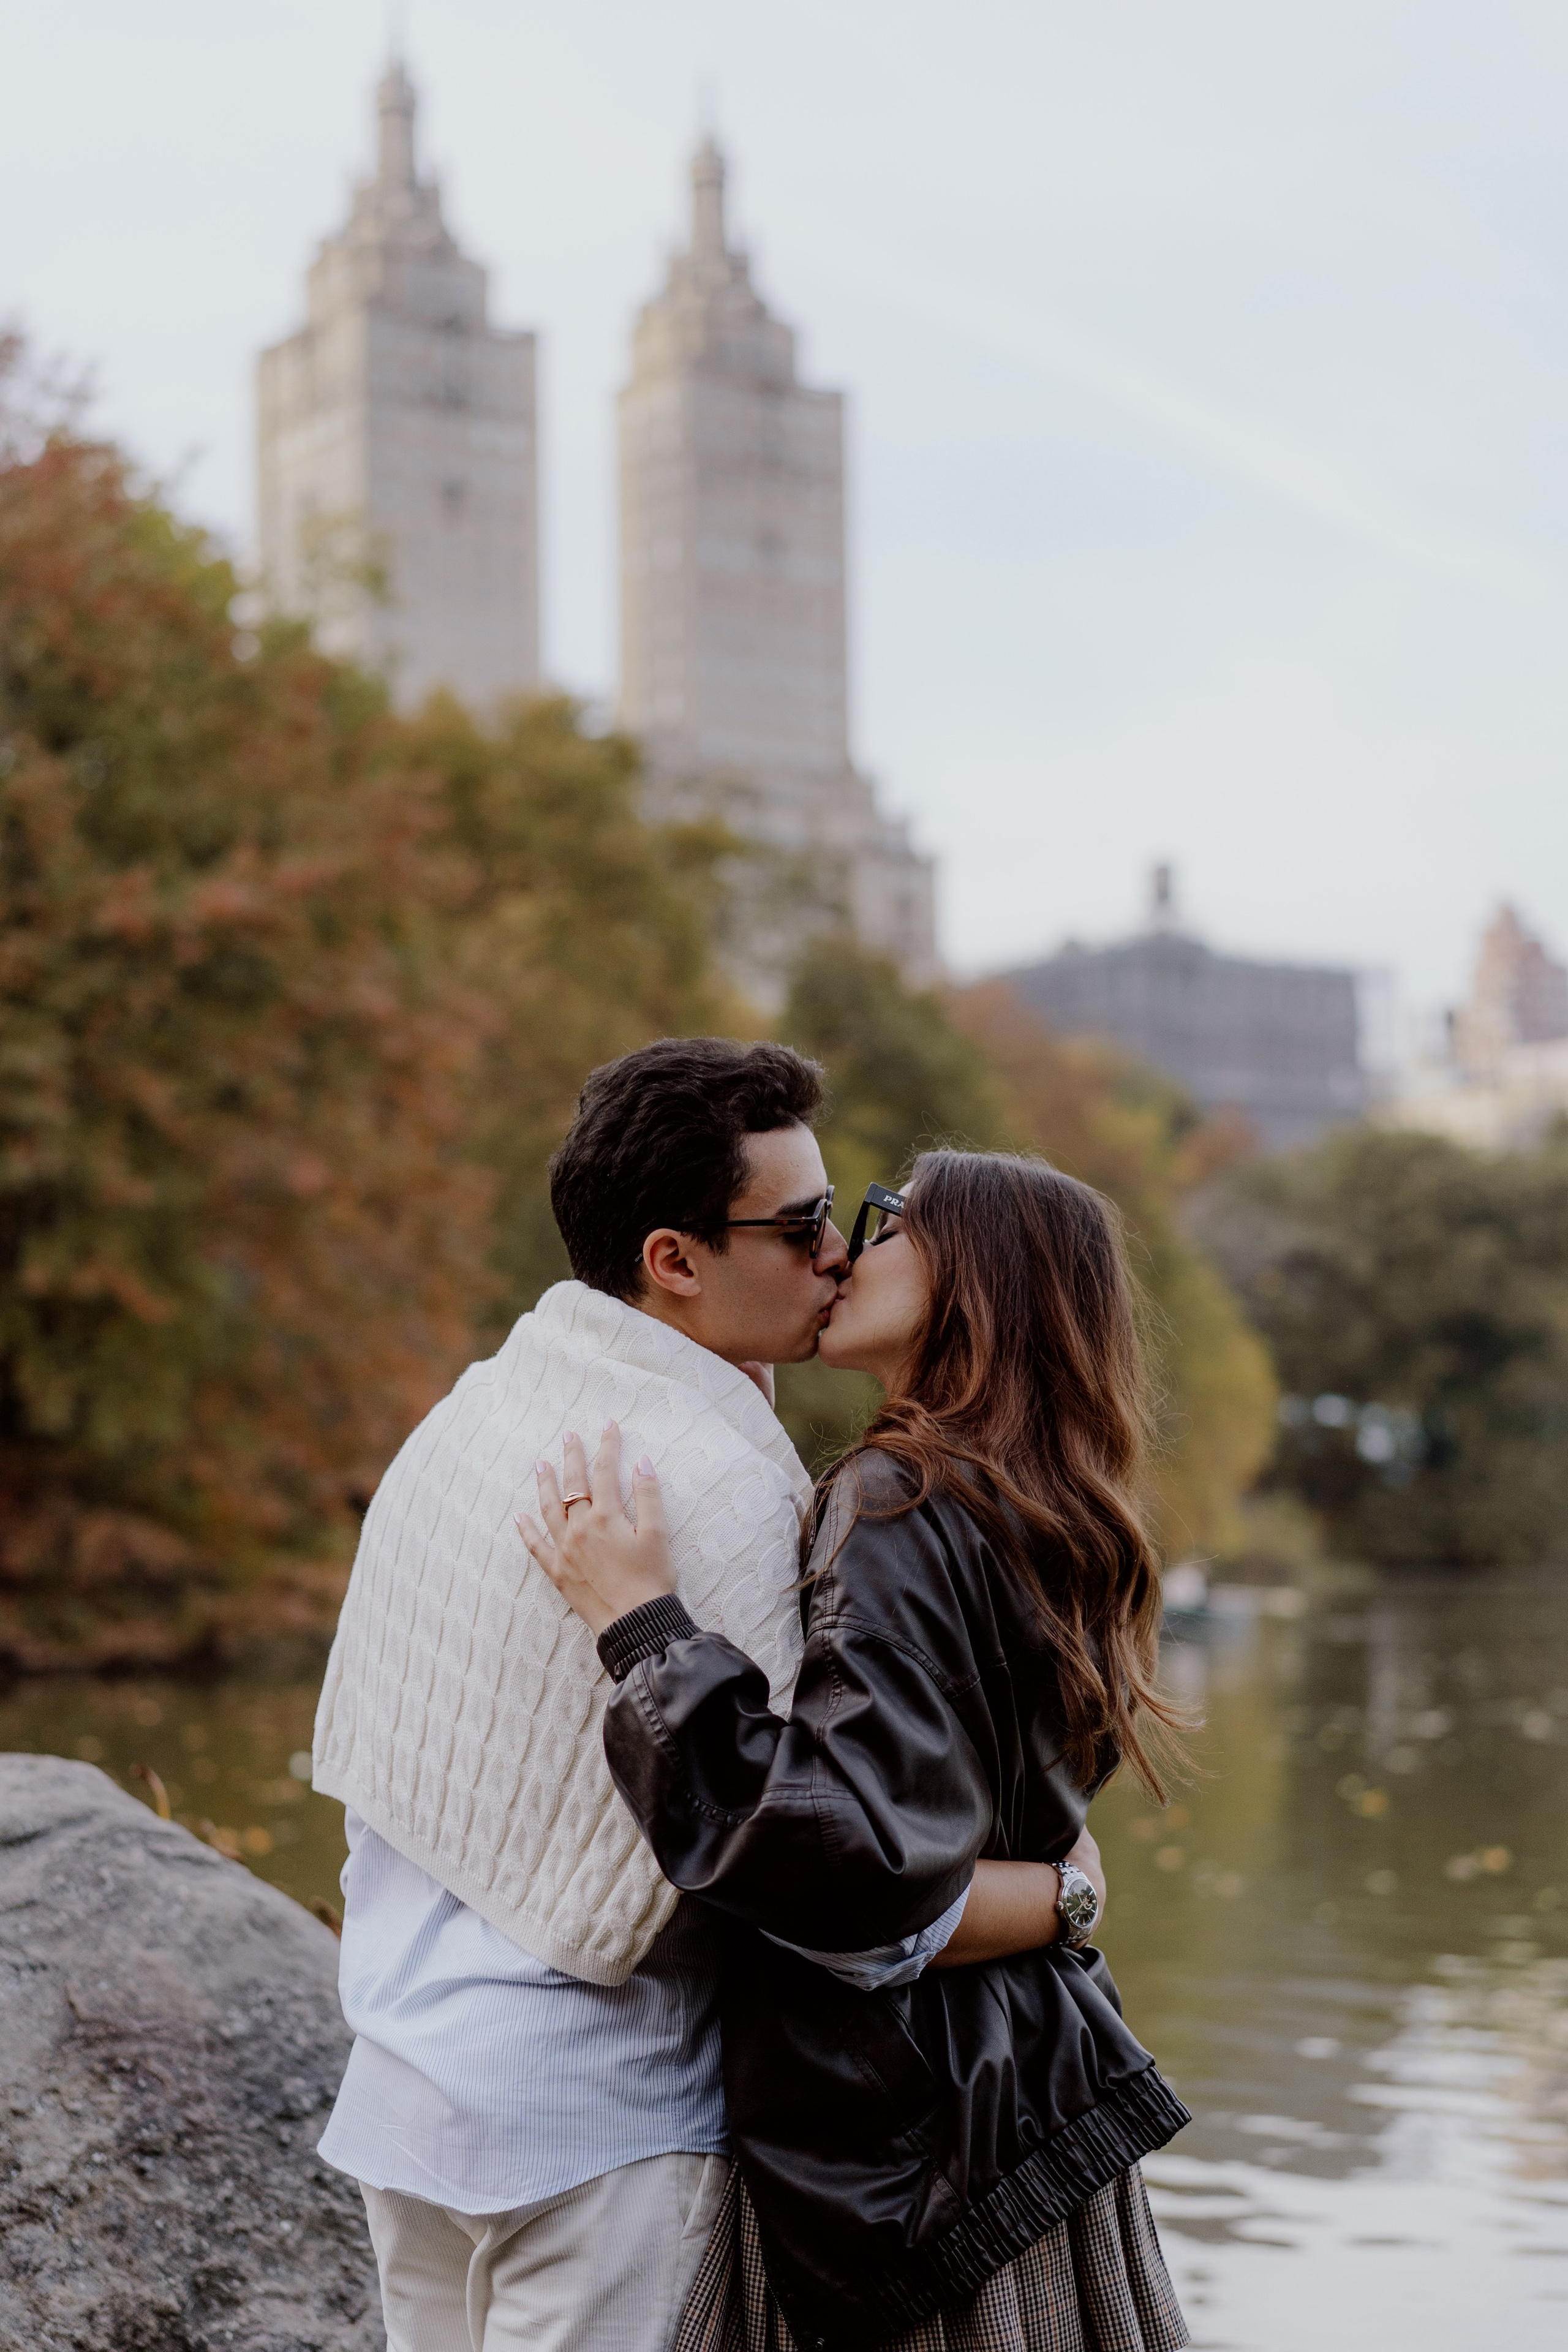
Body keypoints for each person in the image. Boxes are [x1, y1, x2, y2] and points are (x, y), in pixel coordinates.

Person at [314, 1044, 1083, 2352]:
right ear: (674, 1261)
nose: (838, 1255)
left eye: (839, 1219)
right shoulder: (725, 1491)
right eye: (798, 1230)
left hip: (403, 2084)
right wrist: (1054, 1896)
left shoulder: (467, 1416)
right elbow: (820, 1869)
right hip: (595, 2127)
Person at [519, 1148, 1192, 2352]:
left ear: (973, 1277)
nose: (840, 1250)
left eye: (885, 1221)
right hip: (1026, 2098)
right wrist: (1065, 1895)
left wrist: (644, 1630)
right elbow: (977, 1831)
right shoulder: (1054, 1507)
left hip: (917, 2146)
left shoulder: (895, 1496)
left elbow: (845, 1867)